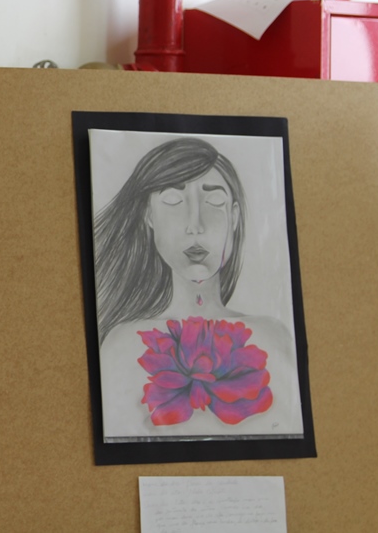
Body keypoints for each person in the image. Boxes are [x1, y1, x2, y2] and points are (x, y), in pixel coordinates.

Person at [93, 137, 300, 437]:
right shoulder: (120, 346)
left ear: (235, 217)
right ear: (148, 216)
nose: (195, 225)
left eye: (214, 202)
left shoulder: (274, 337)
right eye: (173, 201)